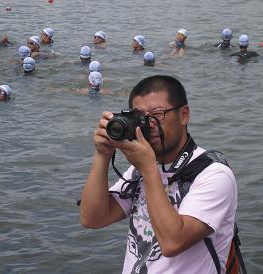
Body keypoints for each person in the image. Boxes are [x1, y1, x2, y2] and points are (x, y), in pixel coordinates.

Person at [80, 75, 237, 273]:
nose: (149, 125)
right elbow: (93, 218)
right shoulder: (140, 170)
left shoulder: (213, 174)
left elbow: (172, 242)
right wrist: (102, 155)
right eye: (141, 117)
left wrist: (148, 169)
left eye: (158, 114)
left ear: (184, 115)